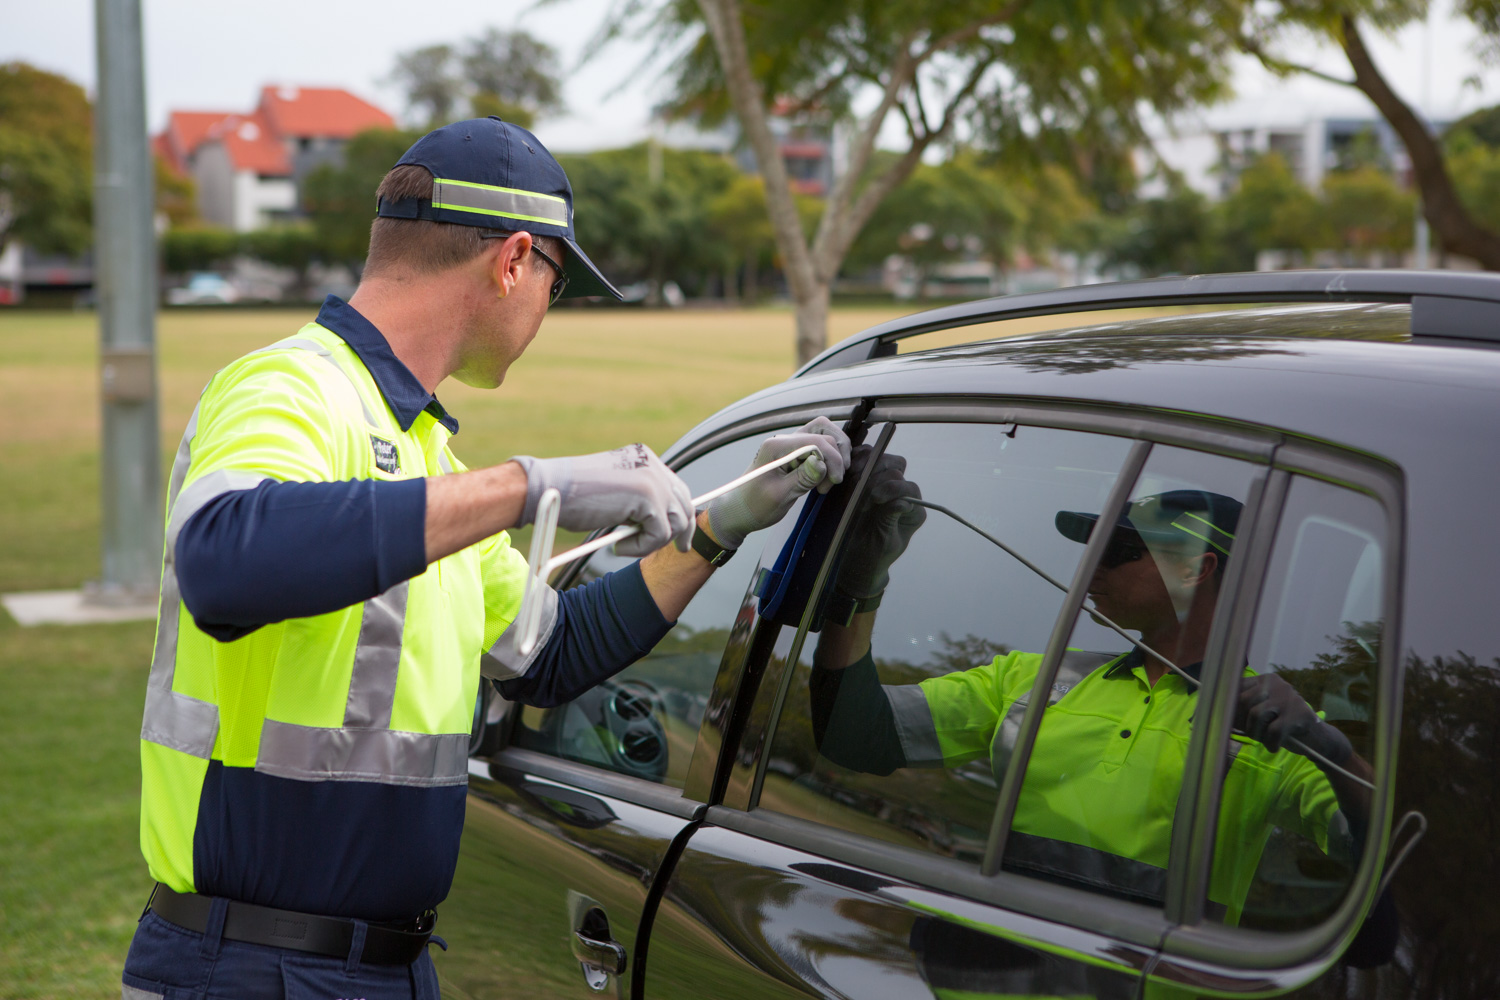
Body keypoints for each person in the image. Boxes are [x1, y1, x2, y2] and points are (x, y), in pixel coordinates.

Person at [122, 116, 852, 999]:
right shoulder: (289, 386)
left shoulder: (426, 459)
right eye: (556, 281)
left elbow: (553, 650)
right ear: (513, 261)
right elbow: (226, 558)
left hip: (382, 966)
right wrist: (528, 486)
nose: (546, 310)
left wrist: (723, 522)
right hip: (247, 967)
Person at [809, 451, 1374, 923]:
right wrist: (862, 582)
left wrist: (1331, 749)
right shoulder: (1032, 677)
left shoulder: (1273, 725)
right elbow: (856, 737)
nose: (1089, 567)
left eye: (1118, 551)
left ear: (1196, 571)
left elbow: (1380, 854)